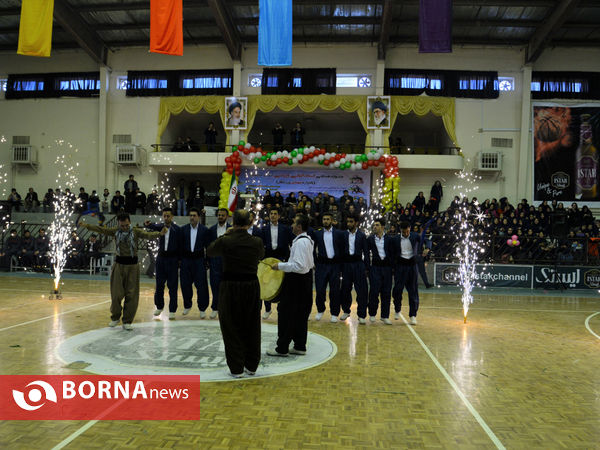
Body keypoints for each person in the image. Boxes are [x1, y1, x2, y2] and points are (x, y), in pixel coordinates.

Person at [80, 212, 166, 330]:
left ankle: (127, 321)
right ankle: (115, 318)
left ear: (129, 222)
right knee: (116, 294)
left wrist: (159, 233)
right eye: (122, 226)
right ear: (119, 224)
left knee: (132, 294)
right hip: (119, 265)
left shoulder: (135, 231)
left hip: (133, 266)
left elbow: (147, 235)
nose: (124, 228)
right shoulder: (115, 231)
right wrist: (87, 226)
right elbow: (101, 230)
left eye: (126, 225)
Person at [207, 209, 264, 378]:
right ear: (250, 223)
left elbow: (210, 251)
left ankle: (236, 368)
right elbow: (261, 256)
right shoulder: (257, 241)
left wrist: (226, 234)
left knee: (230, 326)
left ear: (233, 222)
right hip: (251, 286)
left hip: (230, 286)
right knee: (252, 325)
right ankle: (252, 365)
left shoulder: (226, 240)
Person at [268, 214, 315, 357]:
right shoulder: (307, 241)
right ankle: (300, 345)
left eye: (294, 223)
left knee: (286, 314)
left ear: (299, 227)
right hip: (305, 281)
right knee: (300, 315)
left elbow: (299, 266)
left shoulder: (301, 242)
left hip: (296, 282)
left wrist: (279, 266)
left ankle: (282, 348)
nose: (292, 226)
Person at [145, 208, 182, 320]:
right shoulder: (160, 227)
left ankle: (172, 310)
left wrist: (179, 260)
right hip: (161, 259)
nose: (166, 218)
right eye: (164, 216)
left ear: (172, 217)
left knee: (172, 286)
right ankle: (159, 306)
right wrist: (147, 224)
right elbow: (151, 226)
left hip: (172, 260)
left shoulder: (177, 230)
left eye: (168, 216)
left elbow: (180, 246)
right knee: (159, 285)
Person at [260, 208, 293, 319]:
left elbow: (290, 244)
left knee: (281, 283)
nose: (273, 215)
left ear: (279, 216)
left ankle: (281, 308)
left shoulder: (285, 229)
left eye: (275, 214)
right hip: (268, 259)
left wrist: (287, 259)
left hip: (281, 258)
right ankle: (267, 309)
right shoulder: (264, 229)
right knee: (266, 283)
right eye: (271, 214)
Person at [179, 208, 210, 318]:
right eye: (190, 215)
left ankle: (202, 308)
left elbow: (208, 247)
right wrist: (180, 261)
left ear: (198, 217)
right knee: (185, 284)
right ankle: (187, 305)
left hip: (199, 260)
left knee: (201, 285)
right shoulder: (183, 230)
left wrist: (207, 262)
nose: (192, 217)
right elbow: (180, 246)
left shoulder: (204, 230)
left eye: (194, 215)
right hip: (186, 260)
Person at [313, 212, 344, 322]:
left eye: (327, 219)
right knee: (320, 289)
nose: (325, 221)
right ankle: (320, 310)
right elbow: (313, 249)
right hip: (321, 265)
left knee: (335, 290)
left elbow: (342, 249)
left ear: (331, 221)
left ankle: (334, 313)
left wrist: (340, 264)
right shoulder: (317, 234)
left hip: (335, 265)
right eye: (324, 219)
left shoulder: (338, 233)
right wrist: (315, 262)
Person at [339, 214, 370, 324]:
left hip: (358, 264)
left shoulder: (361, 235)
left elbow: (366, 252)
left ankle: (361, 315)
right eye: (348, 222)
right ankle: (346, 311)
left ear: (356, 223)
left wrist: (367, 267)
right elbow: (340, 251)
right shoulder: (343, 235)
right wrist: (341, 266)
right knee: (345, 289)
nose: (349, 224)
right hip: (347, 264)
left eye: (351, 222)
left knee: (361, 291)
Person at [392, 221, 421, 325]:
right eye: (403, 232)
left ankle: (413, 315)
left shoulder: (415, 236)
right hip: (400, 266)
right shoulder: (395, 239)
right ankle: (397, 309)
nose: (405, 234)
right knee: (397, 289)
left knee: (413, 290)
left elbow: (426, 241)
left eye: (407, 231)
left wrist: (427, 248)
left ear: (410, 228)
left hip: (412, 266)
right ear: (401, 231)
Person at [367, 218, 395, 324]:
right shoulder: (370, 239)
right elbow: (366, 252)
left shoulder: (389, 239)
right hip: (375, 267)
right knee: (374, 291)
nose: (375, 227)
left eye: (377, 225)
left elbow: (392, 254)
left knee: (386, 292)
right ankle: (372, 314)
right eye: (374, 225)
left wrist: (392, 267)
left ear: (382, 227)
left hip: (387, 268)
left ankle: (385, 316)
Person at [206, 208, 232, 319]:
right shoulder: (211, 230)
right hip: (215, 261)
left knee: (227, 286)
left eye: (223, 215)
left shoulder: (231, 230)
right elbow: (208, 247)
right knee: (215, 285)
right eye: (219, 215)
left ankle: (226, 308)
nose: (220, 217)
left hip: (227, 261)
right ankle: (215, 308)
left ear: (227, 216)